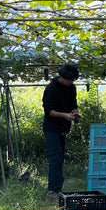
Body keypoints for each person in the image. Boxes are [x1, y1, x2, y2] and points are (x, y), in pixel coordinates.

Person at [42, 64, 80, 199]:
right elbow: (48, 111)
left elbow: (73, 104)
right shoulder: (51, 89)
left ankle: (57, 188)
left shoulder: (71, 88)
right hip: (51, 128)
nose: (71, 82)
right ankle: (52, 190)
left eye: (73, 80)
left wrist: (75, 114)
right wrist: (65, 115)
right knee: (55, 158)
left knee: (59, 158)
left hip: (64, 127)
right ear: (62, 77)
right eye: (69, 80)